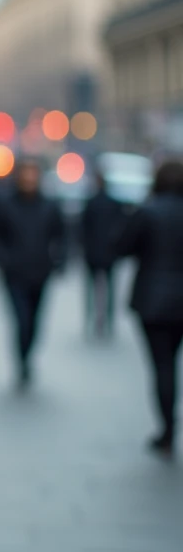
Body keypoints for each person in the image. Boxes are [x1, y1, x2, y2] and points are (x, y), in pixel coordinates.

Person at [113, 159, 183, 459]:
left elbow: (122, 246)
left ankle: (167, 428)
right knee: (170, 363)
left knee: (162, 365)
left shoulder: (147, 212)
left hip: (153, 300)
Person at [0, 158, 65, 390]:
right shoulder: (6, 204)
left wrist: (58, 260)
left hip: (40, 271)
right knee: (21, 320)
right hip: (14, 273)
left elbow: (61, 234)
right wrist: (3, 259)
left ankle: (28, 355)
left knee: (34, 321)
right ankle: (21, 360)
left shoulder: (49, 205)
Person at [80, 173, 125, 339]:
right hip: (109, 252)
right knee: (110, 288)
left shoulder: (90, 203)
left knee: (91, 289)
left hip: (92, 252)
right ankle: (108, 320)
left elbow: (83, 228)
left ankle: (90, 318)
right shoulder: (115, 204)